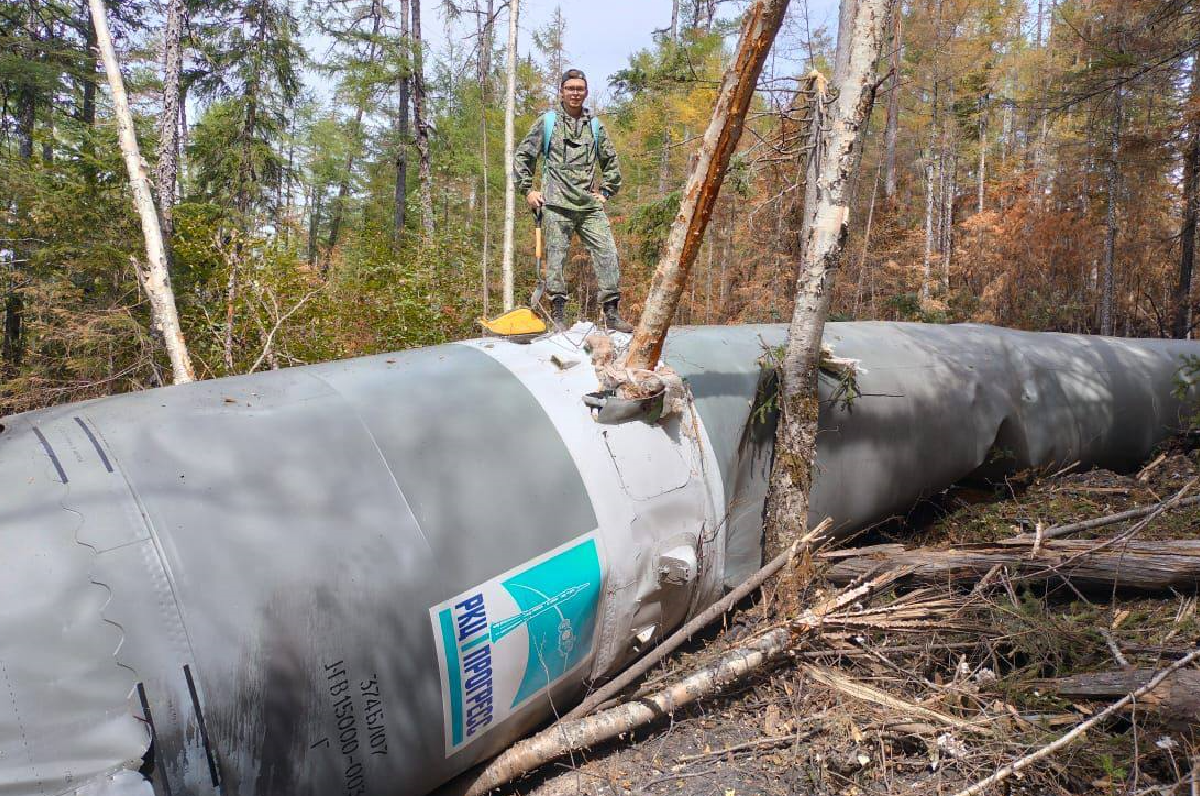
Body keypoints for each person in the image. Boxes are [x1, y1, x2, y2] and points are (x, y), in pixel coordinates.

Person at [513, 68, 633, 333]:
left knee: (607, 254)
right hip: (556, 206)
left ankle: (611, 313)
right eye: (570, 88)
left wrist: (607, 192)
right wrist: (528, 190)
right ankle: (557, 315)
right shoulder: (547, 123)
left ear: (586, 92)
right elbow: (523, 156)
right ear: (562, 92)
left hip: (590, 207)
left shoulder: (595, 127)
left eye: (579, 88)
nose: (575, 93)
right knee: (556, 260)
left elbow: (611, 161)